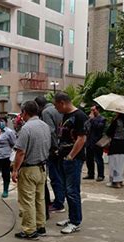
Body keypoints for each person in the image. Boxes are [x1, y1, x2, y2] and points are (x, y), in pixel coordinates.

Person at [12, 101, 51, 240]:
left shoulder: (26, 128)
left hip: (29, 169)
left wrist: (15, 169)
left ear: (24, 112)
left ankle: (29, 230)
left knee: (27, 201)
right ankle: (41, 226)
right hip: (42, 168)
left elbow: (21, 152)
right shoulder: (45, 126)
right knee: (39, 199)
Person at [54, 92, 88, 234]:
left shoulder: (80, 116)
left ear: (62, 102)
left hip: (73, 160)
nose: (56, 109)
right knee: (68, 190)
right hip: (63, 158)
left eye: (56, 106)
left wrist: (70, 156)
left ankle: (75, 222)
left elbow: (82, 138)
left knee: (73, 191)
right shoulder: (66, 116)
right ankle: (71, 217)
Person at [36, 96, 65, 213]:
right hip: (62, 145)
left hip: (54, 148)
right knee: (60, 175)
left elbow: (50, 131)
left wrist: (53, 148)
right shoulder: (57, 109)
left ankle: (59, 203)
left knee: (54, 176)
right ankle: (60, 200)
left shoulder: (46, 112)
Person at [106, 113, 124, 188]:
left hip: (115, 144)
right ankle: (120, 181)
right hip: (123, 144)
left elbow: (108, 132)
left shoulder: (116, 121)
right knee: (121, 163)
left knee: (114, 162)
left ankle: (115, 182)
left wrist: (114, 120)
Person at [83, 105, 106, 181]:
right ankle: (90, 174)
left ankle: (101, 175)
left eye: (93, 110)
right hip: (89, 142)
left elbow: (99, 128)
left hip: (97, 142)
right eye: (91, 110)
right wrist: (90, 119)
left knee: (98, 159)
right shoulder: (90, 119)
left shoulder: (102, 119)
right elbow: (85, 127)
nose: (92, 112)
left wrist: (93, 119)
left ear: (98, 110)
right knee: (89, 159)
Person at [0, 117, 16, 198]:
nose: (1, 123)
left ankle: (5, 190)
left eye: (2, 121)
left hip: (5, 156)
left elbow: (13, 143)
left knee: (6, 174)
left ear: (6, 122)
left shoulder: (9, 132)